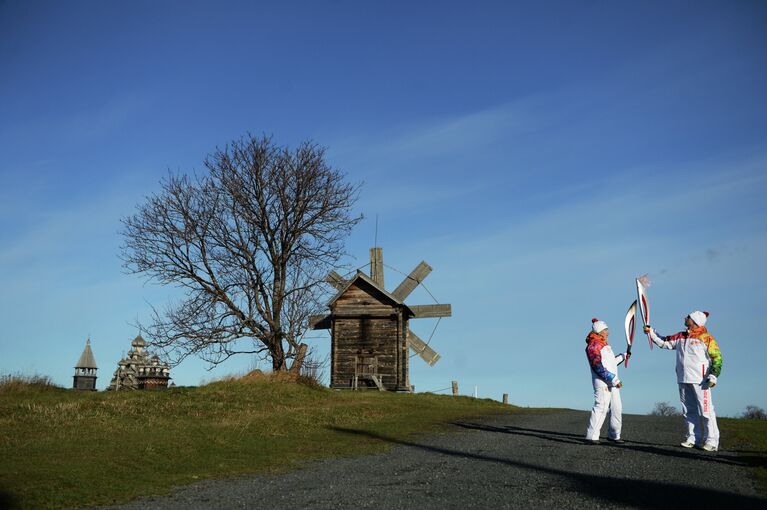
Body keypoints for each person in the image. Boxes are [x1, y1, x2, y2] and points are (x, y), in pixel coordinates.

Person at [644, 310, 723, 451]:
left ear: (695, 321)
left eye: (688, 317)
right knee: (688, 410)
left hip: (701, 381)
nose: (685, 318)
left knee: (706, 411)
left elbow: (717, 358)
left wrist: (713, 376)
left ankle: (712, 441)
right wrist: (651, 332)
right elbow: (664, 341)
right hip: (683, 378)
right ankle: (693, 438)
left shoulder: (706, 338)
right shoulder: (681, 336)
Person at [585, 318, 629, 444]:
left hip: (612, 382)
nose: (608, 332)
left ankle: (614, 435)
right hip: (602, 381)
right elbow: (597, 366)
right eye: (606, 330)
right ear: (599, 331)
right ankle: (591, 436)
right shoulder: (593, 345)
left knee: (616, 408)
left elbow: (611, 364)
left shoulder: (605, 345)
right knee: (601, 407)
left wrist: (623, 356)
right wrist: (613, 379)